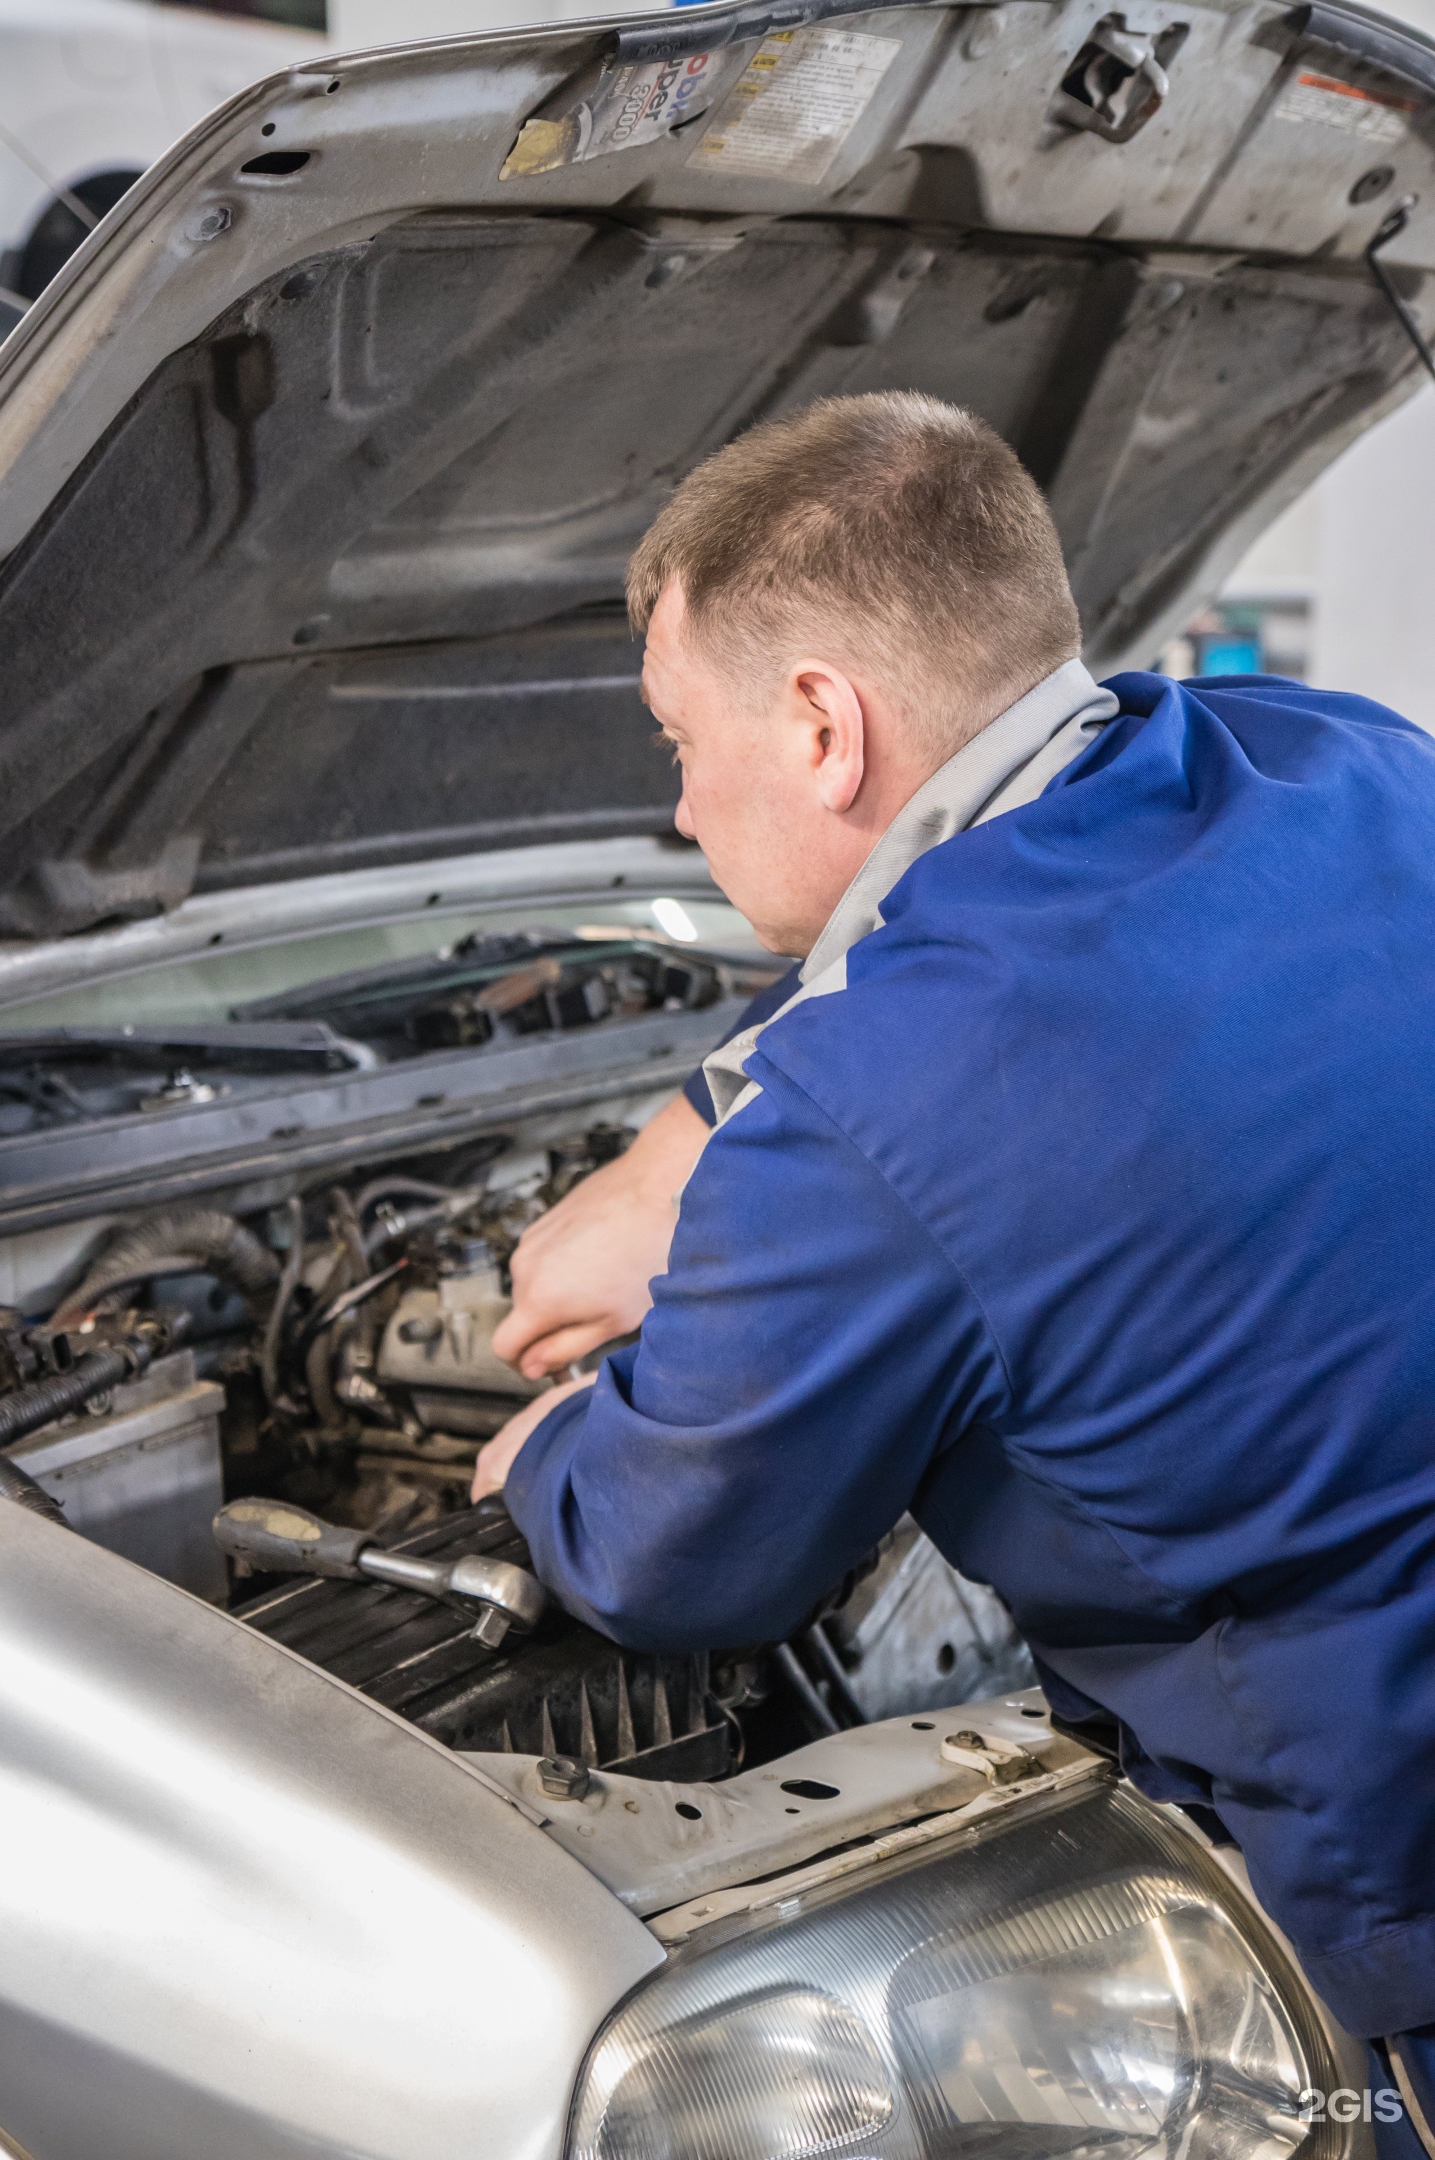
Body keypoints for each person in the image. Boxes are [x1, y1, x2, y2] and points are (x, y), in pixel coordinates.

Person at [478, 391, 1435, 2140]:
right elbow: (975, 939)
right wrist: (679, 1147)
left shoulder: (874, 1114)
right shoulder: (1341, 753)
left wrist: (535, 1456)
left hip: (1397, 1847)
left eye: (681, 741)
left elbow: (673, 1560)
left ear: (824, 727)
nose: (680, 811)